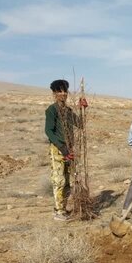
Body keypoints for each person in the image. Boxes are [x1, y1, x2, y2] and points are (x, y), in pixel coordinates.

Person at [44, 79, 88, 221]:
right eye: (59, 91)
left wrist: (83, 110)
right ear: (54, 93)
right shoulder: (52, 110)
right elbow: (48, 131)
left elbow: (80, 125)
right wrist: (61, 147)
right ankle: (58, 211)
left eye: (64, 91)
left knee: (68, 180)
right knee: (59, 180)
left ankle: (63, 208)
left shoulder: (68, 111)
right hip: (58, 149)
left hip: (69, 148)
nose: (62, 94)